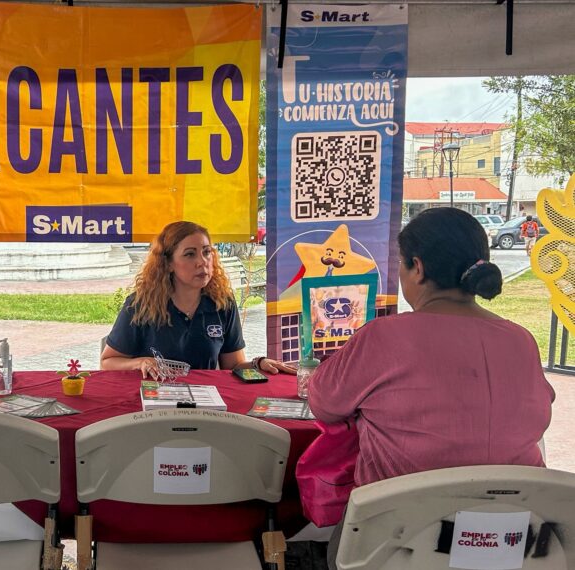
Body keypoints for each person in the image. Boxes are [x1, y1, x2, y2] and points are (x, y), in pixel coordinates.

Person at [307, 208, 554, 567]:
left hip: (397, 541)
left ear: (417, 268)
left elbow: (323, 403)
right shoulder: (521, 340)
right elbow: (538, 416)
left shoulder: (383, 337)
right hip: (511, 540)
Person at [100, 221, 291, 378]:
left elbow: (233, 365)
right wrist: (139, 362)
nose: (202, 261)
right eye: (190, 254)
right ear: (168, 264)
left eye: (207, 252)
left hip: (207, 406)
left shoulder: (222, 303)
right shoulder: (140, 304)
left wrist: (259, 363)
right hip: (153, 405)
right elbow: (107, 363)